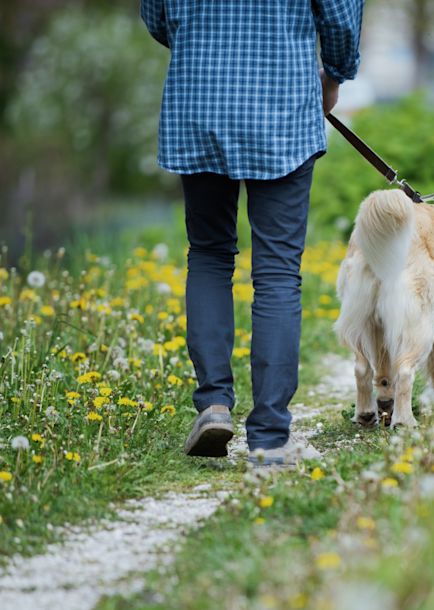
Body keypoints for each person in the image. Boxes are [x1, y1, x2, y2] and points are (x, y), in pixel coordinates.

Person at [140, 0, 364, 465]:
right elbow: (341, 14)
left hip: (197, 101)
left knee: (208, 254)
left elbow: (156, 15)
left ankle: (214, 405)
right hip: (282, 105)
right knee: (279, 271)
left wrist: (199, 46)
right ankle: (269, 435)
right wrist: (335, 74)